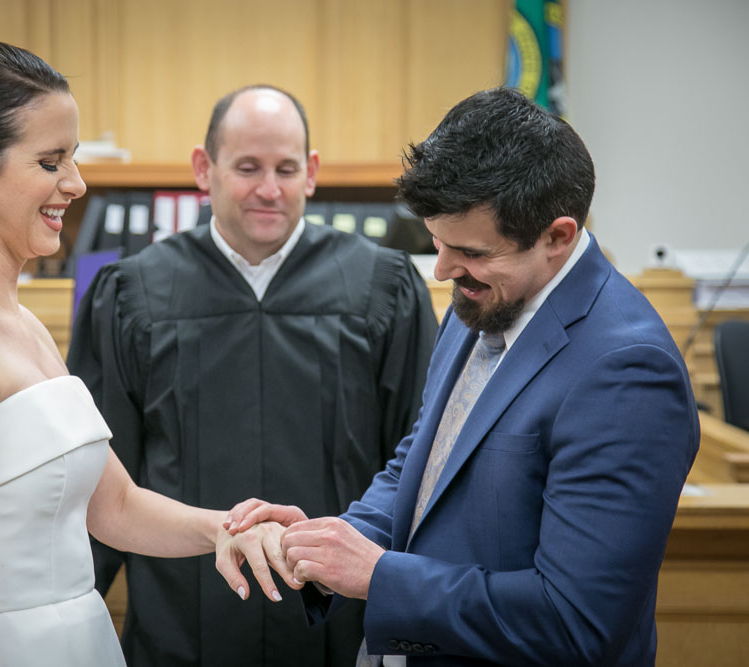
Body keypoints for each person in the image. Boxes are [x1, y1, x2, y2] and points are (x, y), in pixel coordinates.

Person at [229, 87, 700, 666]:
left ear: (558, 237)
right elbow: (424, 462)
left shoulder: (627, 372)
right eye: (437, 242)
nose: (445, 270)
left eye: (471, 251)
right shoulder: (486, 297)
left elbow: (576, 622)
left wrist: (379, 576)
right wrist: (329, 545)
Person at [0, 40, 286, 667]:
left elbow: (111, 505)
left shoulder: (22, 322)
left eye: (74, 158)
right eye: (50, 161)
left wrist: (227, 529)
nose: (76, 183)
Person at [67, 85, 438, 666]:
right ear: (203, 169)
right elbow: (100, 479)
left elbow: (415, 463)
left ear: (311, 174)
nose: (269, 189)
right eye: (247, 167)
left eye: (286, 168)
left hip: (337, 629)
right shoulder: (134, 294)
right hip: (180, 627)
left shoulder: (380, 289)